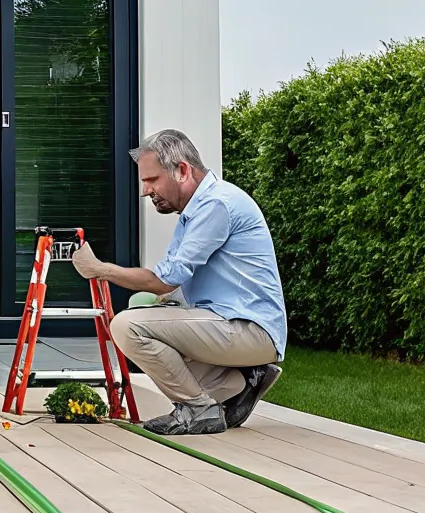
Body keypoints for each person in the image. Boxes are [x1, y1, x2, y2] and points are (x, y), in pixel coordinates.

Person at [70, 129, 287, 436]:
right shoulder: (194, 213)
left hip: (248, 329)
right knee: (147, 318)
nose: (146, 191)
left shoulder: (216, 205)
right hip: (231, 325)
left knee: (126, 326)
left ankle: (198, 409)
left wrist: (100, 269)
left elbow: (162, 280)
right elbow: (169, 286)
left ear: (182, 170)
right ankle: (239, 381)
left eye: (152, 180)